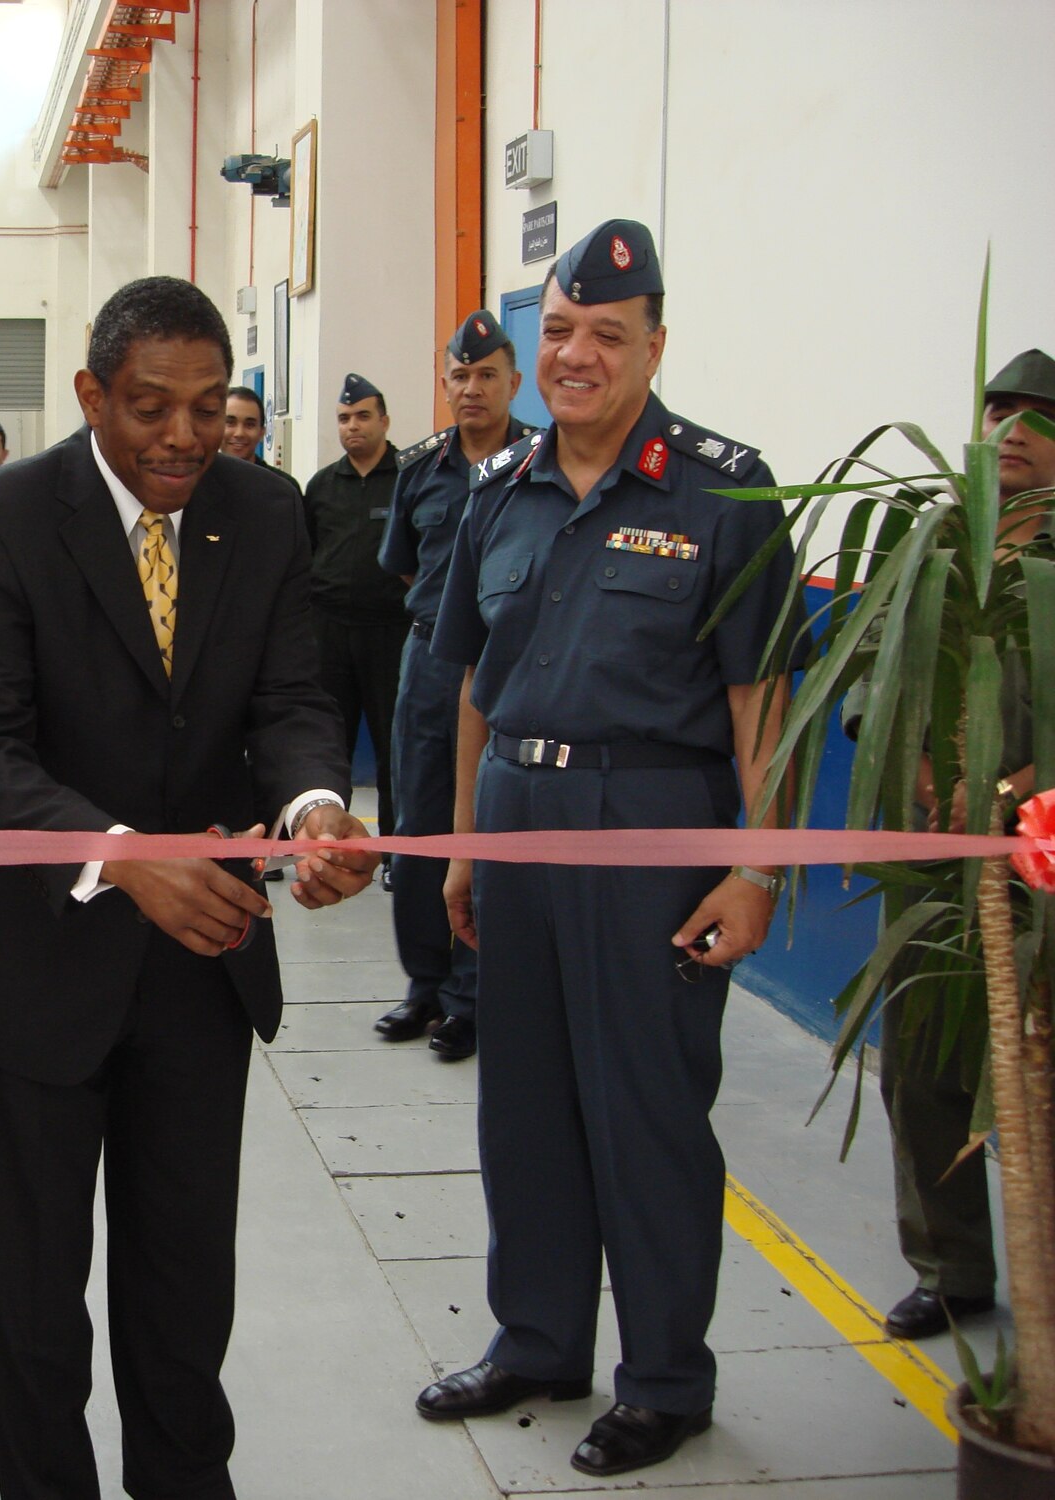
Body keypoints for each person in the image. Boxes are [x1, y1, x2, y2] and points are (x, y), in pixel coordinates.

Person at [0, 275, 377, 1500]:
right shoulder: (0, 522)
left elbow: (291, 700)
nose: (180, 435)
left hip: (201, 969)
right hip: (39, 976)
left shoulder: (264, 514)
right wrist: (124, 856)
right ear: (90, 395)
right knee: (32, 1309)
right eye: (148, 407)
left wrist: (310, 809)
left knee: (183, 1291)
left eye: (204, 406)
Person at [422, 220, 794, 1478]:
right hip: (517, 820)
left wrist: (754, 871)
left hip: (651, 831)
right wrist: (468, 849)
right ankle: (534, 1339)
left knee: (644, 1108)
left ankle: (664, 1379)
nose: (576, 356)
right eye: (561, 331)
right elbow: (474, 680)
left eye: (606, 336)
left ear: (653, 345)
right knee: (520, 1101)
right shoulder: (498, 489)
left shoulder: (723, 490)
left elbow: (760, 706)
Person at [849, 346, 1055, 1341]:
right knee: (920, 1062)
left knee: (1036, 1069)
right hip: (930, 852)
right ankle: (949, 1268)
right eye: (998, 408)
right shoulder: (925, 545)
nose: (1013, 427)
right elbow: (861, 679)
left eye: (1037, 414)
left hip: (1040, 863)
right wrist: (922, 767)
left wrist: (1017, 791)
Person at [373, 311, 532, 1062]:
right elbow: (406, 566)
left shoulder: (543, 461)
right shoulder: (420, 468)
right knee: (419, 827)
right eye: (460, 376)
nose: (472, 388)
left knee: (487, 831)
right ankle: (424, 986)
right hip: (430, 662)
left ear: (514, 382)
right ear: (444, 384)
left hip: (511, 668)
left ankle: (474, 996)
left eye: (487, 375)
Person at [302, 372, 412, 824]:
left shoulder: (410, 477)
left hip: (392, 631)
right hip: (330, 632)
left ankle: (392, 851)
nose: (353, 426)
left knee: (394, 745)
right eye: (344, 418)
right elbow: (307, 554)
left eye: (363, 416)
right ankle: (320, 840)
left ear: (384, 421)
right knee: (327, 744)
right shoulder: (322, 485)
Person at [221, 384, 299, 491]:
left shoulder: (284, 489)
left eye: (249, 425)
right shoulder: (196, 483)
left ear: (262, 433)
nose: (239, 433)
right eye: (230, 423)